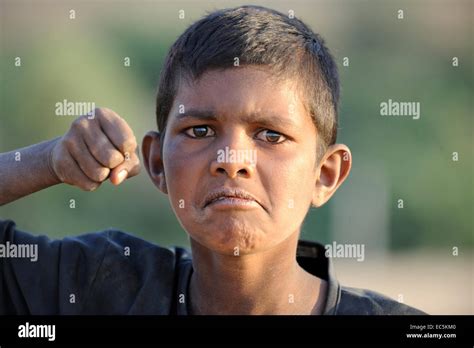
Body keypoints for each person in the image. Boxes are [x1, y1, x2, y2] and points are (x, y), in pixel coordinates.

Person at [0, 5, 425, 315]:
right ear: (156, 162)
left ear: (325, 174)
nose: (231, 159)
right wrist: (48, 161)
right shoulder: (94, 288)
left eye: (270, 135)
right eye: (199, 131)